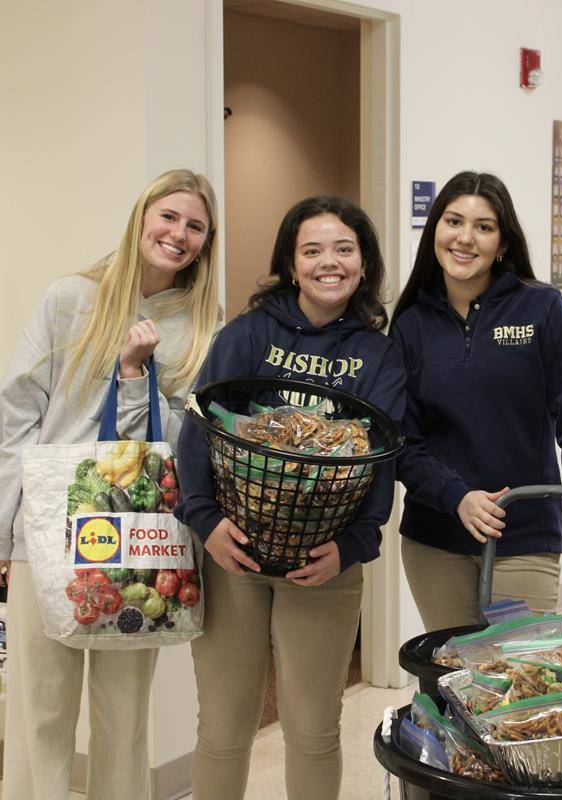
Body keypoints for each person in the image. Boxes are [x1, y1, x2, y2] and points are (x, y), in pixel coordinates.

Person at [174, 196, 405, 800]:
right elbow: (199, 431)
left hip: (324, 564)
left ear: (363, 262)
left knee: (313, 729)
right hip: (234, 556)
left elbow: (382, 461)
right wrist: (206, 524)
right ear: (291, 263)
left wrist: (352, 545)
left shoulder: (380, 353)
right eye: (312, 250)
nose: (329, 262)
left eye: (343, 249)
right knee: (224, 727)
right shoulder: (248, 334)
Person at [0, 169, 221, 799]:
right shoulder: (71, 298)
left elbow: (191, 438)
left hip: (139, 545)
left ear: (207, 242)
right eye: (169, 217)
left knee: (123, 720)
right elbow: (15, 417)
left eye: (196, 226)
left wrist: (133, 378)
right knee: (38, 711)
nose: (179, 235)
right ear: (142, 217)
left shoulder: (203, 325)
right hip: (45, 533)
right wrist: (2, 530)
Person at [389, 170, 562, 632]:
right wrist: (458, 498)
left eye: (484, 226)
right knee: (451, 682)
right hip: (436, 540)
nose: (465, 238)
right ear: (435, 230)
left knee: (519, 684)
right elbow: (402, 441)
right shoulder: (412, 323)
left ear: (503, 244)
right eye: (453, 221)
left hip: (524, 534)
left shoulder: (542, 309)